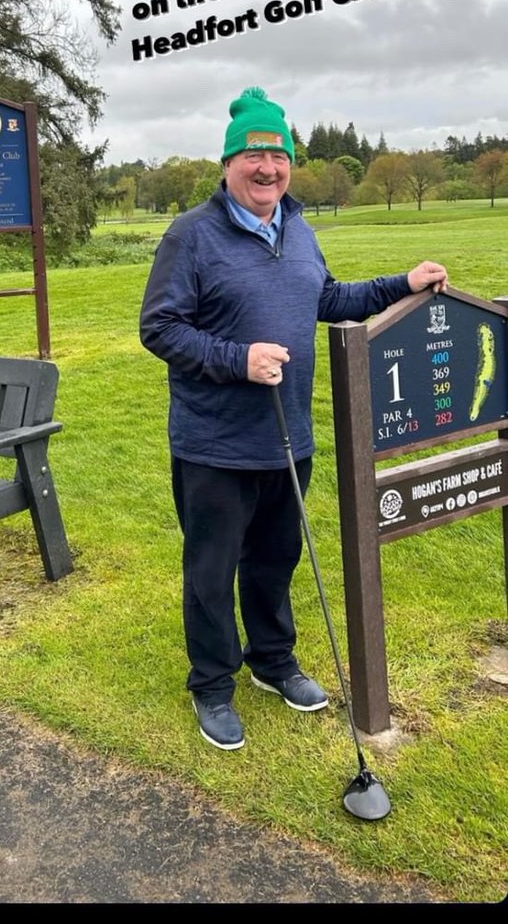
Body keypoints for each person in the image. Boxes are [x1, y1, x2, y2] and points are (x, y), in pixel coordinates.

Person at [139, 86, 448, 751]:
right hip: (214, 444)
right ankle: (214, 685)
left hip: (288, 439)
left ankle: (273, 664)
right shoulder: (191, 235)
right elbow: (159, 328)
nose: (267, 170)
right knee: (211, 570)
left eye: (277, 157)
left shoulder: (298, 227)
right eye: (254, 159)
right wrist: (236, 359)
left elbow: (330, 297)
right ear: (228, 164)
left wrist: (404, 282)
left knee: (275, 560)